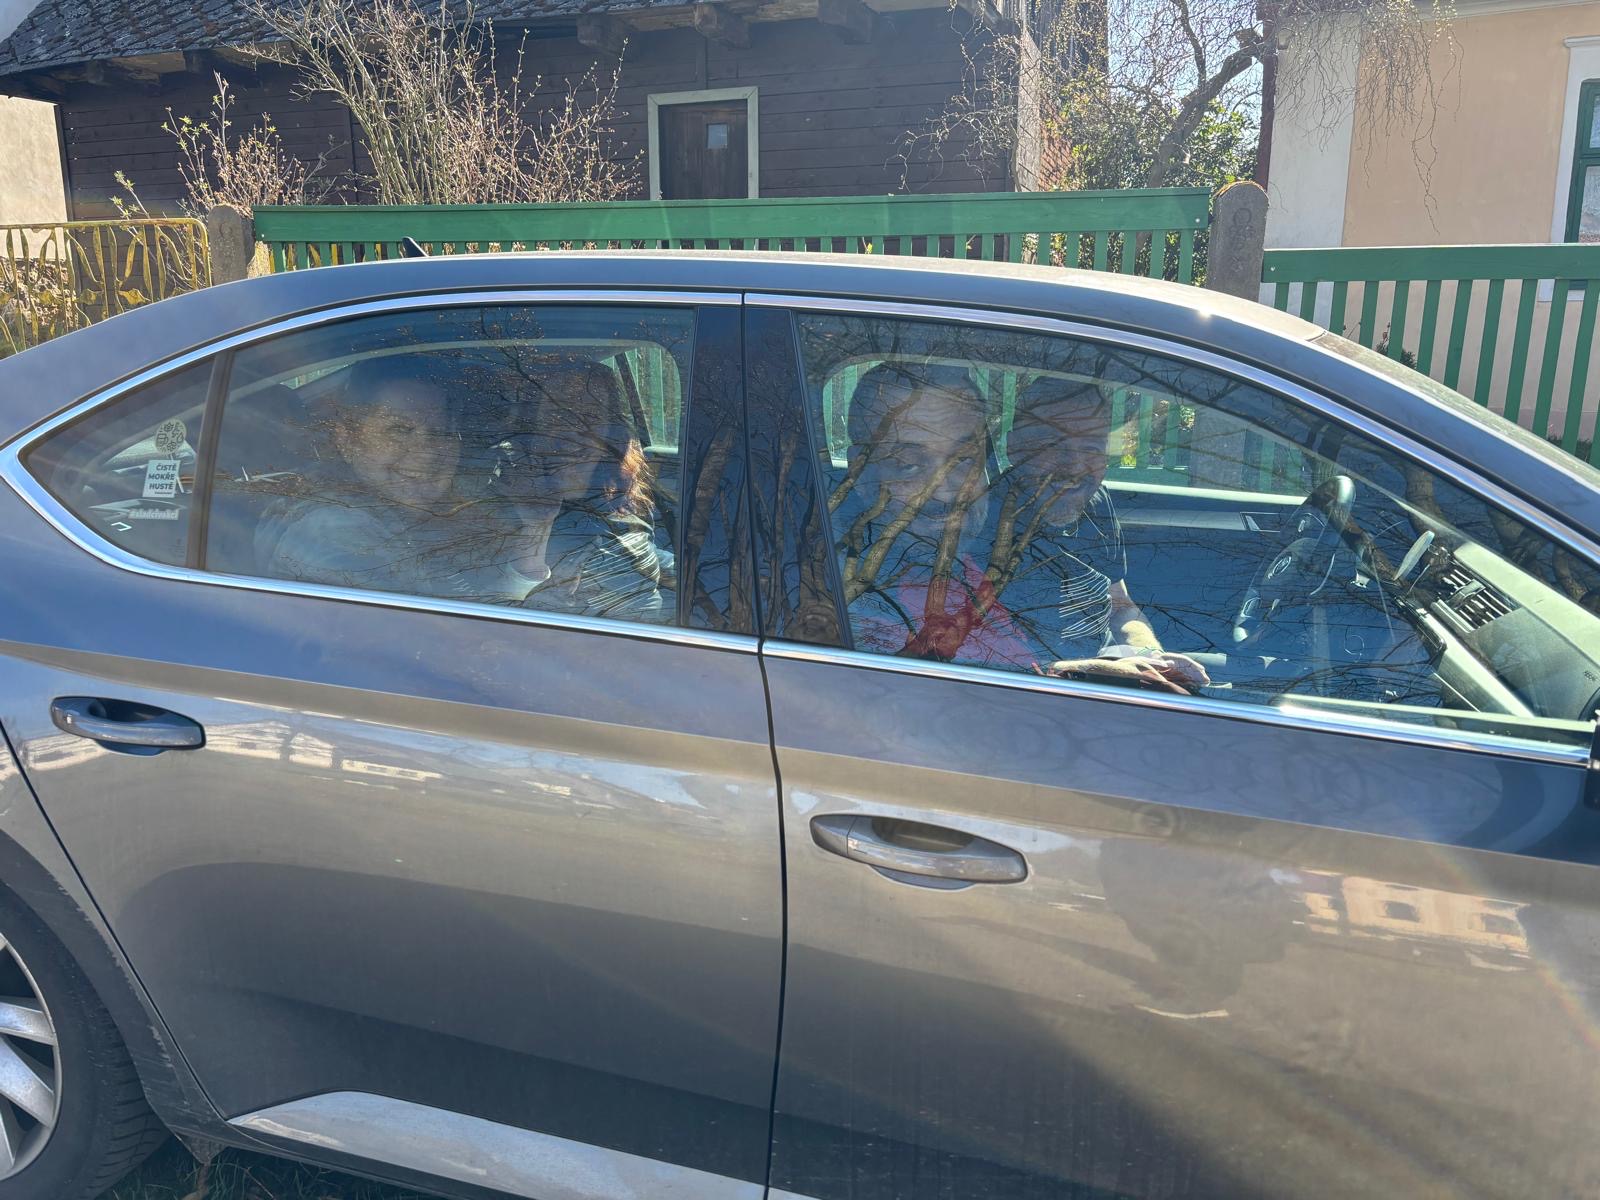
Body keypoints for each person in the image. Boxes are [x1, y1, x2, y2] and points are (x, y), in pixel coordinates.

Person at [257, 353, 548, 605]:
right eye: (399, 430)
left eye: (441, 432)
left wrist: (535, 532)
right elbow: (426, 643)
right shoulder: (336, 533)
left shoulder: (407, 518)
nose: (428, 452)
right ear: (347, 439)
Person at [993, 373, 1209, 693]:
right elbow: (993, 662)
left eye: (1092, 447)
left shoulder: (1095, 501)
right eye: (1053, 444)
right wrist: (1105, 672)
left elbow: (1120, 605)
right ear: (1014, 447)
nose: (1074, 465)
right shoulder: (987, 526)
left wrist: (1152, 656)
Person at [834, 362, 1036, 665]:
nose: (944, 492)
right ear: (860, 474)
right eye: (907, 465)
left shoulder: (997, 570)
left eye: (964, 460)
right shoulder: (849, 613)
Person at [496, 357, 675, 623]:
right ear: (534, 427)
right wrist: (536, 527)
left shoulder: (616, 494)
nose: (573, 431)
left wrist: (692, 577)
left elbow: (640, 550)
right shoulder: (508, 508)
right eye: (558, 416)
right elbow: (504, 608)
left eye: (589, 416)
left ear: (611, 431)